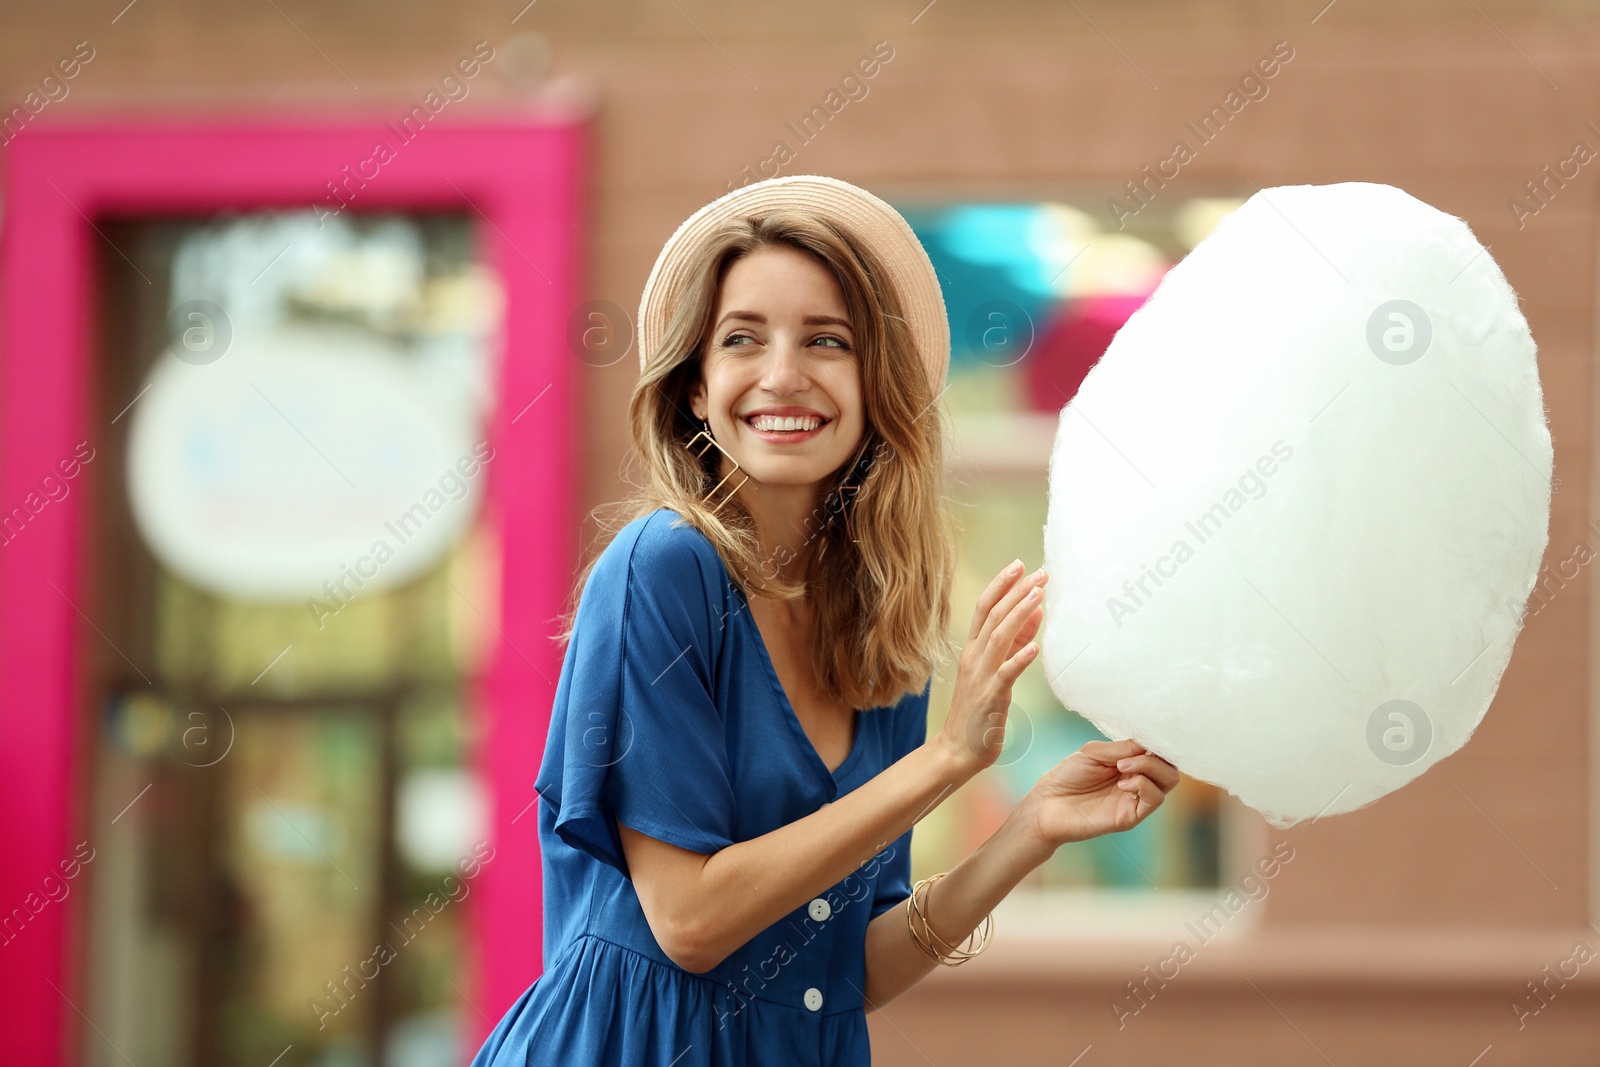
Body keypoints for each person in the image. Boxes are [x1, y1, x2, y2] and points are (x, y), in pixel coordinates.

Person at [470, 175, 1179, 1067]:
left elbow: (852, 968)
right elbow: (689, 921)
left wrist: (1029, 828)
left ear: (874, 383)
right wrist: (948, 759)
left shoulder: (883, 628)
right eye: (742, 338)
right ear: (695, 386)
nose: (782, 374)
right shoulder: (664, 570)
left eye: (825, 340)